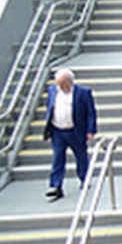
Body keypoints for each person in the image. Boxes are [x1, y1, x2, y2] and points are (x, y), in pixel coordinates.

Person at [43, 67, 98, 200]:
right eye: (59, 84)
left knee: (81, 156)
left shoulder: (83, 92)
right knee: (57, 158)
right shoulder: (52, 90)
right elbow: (50, 107)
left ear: (70, 82)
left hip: (75, 130)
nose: (62, 87)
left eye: (64, 84)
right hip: (58, 131)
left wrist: (91, 130)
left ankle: (84, 179)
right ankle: (56, 185)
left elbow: (91, 112)